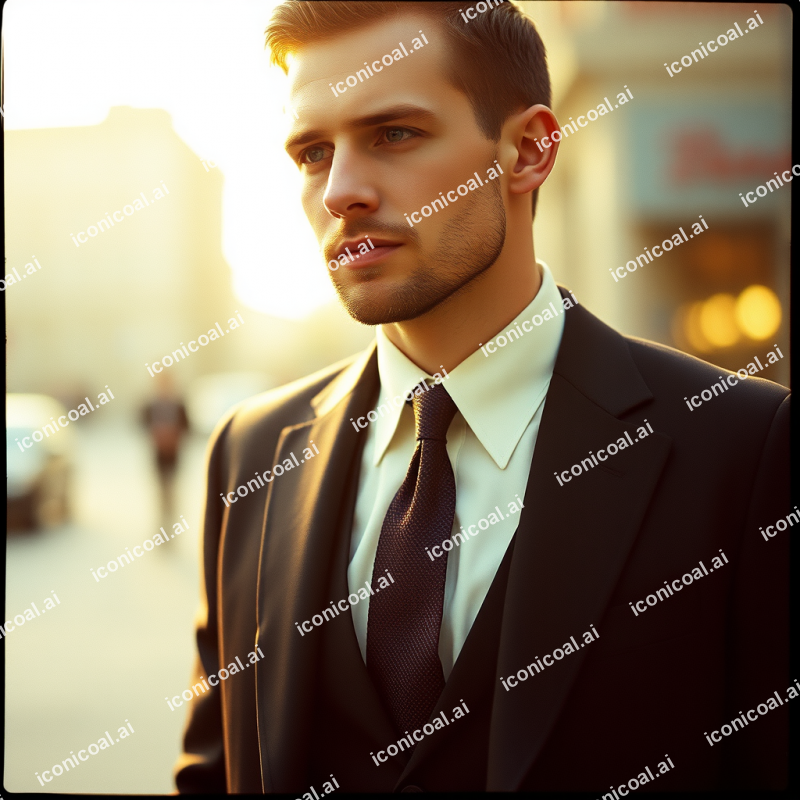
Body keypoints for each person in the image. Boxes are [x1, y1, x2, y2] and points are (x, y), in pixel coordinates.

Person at [175, 2, 789, 793]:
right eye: (312, 152)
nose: (342, 191)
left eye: (394, 134)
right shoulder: (250, 451)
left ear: (529, 150)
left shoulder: (743, 447)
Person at [141, 372, 189, 529]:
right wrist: (156, 435)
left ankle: (172, 525)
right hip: (158, 455)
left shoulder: (179, 404)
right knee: (161, 492)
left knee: (172, 491)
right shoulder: (150, 404)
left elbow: (188, 427)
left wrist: (174, 436)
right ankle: (162, 526)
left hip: (174, 455)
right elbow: (142, 424)